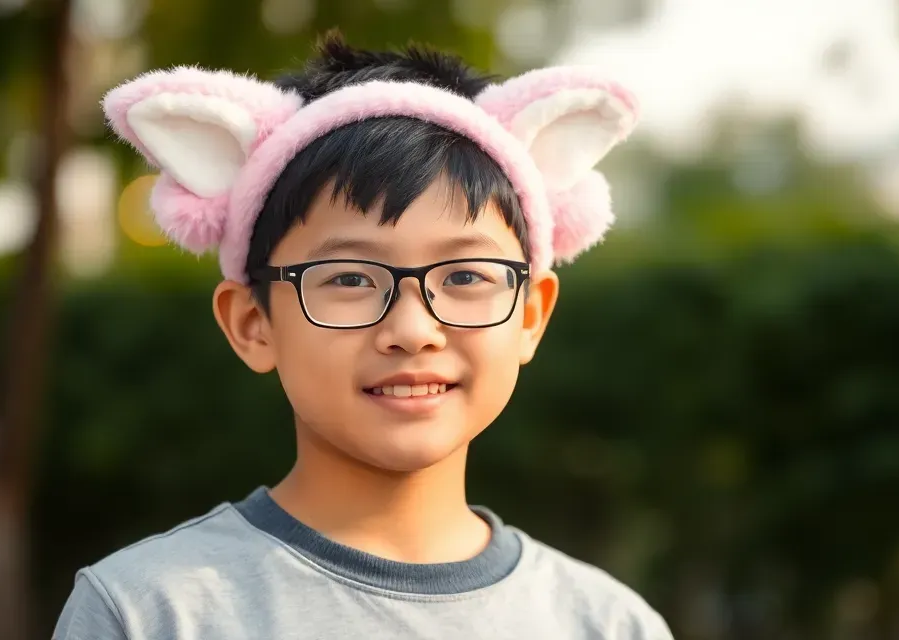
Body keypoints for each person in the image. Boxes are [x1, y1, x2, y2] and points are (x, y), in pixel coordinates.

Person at [52, 31, 670, 639]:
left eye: (465, 275)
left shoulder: (608, 624)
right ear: (252, 322)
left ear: (530, 315)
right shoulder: (148, 612)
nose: (412, 330)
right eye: (349, 277)